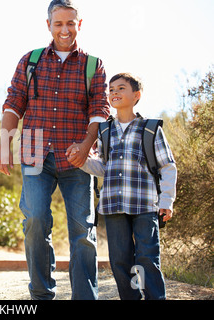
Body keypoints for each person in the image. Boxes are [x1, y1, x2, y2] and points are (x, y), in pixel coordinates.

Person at [0, 0, 110, 300]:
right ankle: (41, 294)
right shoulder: (30, 61)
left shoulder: (93, 65)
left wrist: (87, 146)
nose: (64, 29)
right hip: (36, 155)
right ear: (48, 24)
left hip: (78, 160)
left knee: (83, 232)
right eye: (58, 23)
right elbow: (14, 102)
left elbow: (100, 109)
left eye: (70, 23)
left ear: (79, 24)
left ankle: (85, 296)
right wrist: (4, 144)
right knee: (35, 219)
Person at [68, 73, 178, 300]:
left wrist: (167, 201)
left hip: (145, 206)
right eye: (111, 90)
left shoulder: (150, 129)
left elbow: (167, 166)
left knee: (147, 258)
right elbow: (103, 167)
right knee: (120, 260)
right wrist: (82, 161)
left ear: (136, 95)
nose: (114, 92)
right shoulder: (105, 131)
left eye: (121, 88)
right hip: (113, 207)